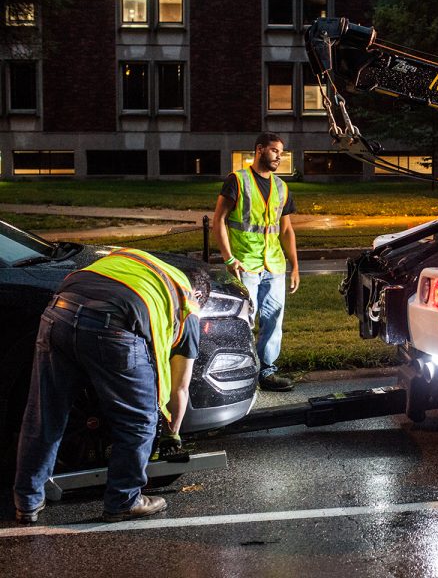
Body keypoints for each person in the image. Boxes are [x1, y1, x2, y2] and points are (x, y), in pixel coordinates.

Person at [13, 248, 210, 524]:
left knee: (45, 414)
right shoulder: (187, 301)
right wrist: (172, 431)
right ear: (199, 295)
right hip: (112, 325)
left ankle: (27, 501)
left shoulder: (140, 263)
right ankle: (124, 500)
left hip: (58, 312)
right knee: (138, 420)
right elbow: (179, 388)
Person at [212, 132, 300, 392]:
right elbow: (219, 220)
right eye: (274, 151)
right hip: (245, 265)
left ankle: (266, 372)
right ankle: (241, 372)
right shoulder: (237, 181)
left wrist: (295, 265)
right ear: (259, 150)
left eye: (281, 153)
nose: (279, 157)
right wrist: (228, 258)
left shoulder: (282, 188)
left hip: (274, 265)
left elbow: (286, 230)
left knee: (273, 320)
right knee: (243, 321)